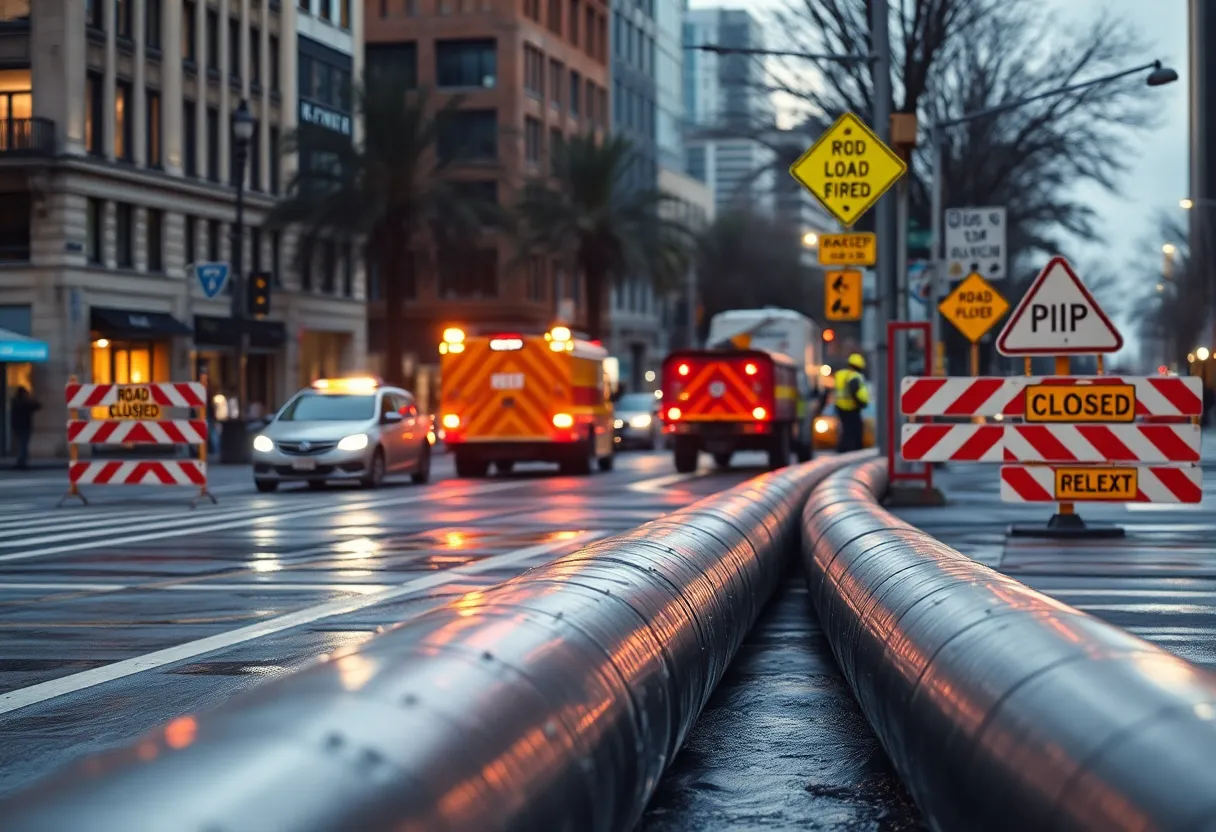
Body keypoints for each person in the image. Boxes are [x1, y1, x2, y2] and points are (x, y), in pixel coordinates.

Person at [832, 353, 871, 453]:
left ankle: (842, 450)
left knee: (846, 431)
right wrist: (862, 402)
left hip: (840, 407)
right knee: (856, 431)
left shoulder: (840, 374)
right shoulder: (855, 376)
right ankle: (855, 451)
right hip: (853, 408)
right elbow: (856, 391)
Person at [9, 386, 41, 469]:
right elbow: (37, 406)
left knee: (21, 444)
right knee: (23, 444)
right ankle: (22, 462)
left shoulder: (15, 401)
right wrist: (31, 398)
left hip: (18, 426)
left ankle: (21, 461)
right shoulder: (25, 402)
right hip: (25, 426)